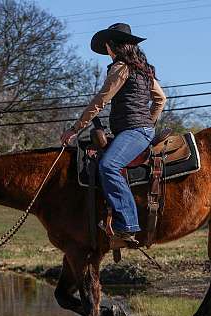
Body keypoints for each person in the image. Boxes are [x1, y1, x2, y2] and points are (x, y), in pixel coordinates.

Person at [60, 23, 167, 244]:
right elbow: (161, 99)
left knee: (108, 166)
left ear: (111, 46)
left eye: (106, 46)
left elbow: (101, 101)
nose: (106, 50)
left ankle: (127, 224)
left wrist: (75, 129)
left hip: (134, 131)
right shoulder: (145, 70)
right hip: (140, 129)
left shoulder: (121, 68)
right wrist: (150, 123)